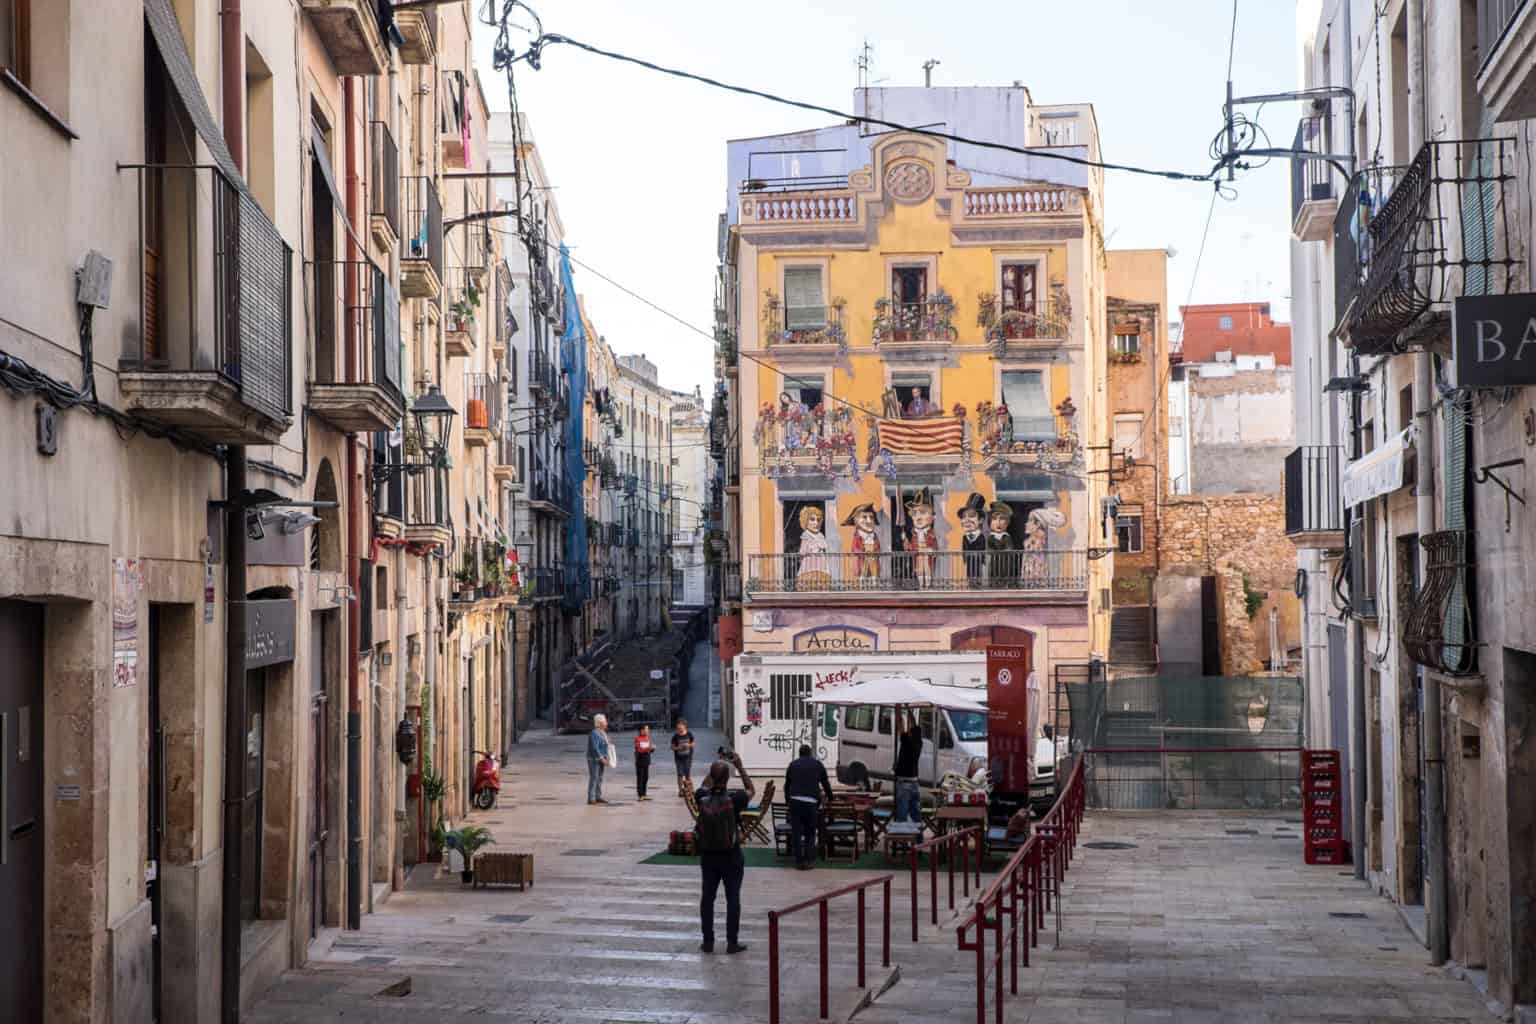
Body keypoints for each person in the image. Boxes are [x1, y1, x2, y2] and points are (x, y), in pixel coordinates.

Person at [695, 753, 755, 954]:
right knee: (733, 898)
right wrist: (740, 765)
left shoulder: (702, 798)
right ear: (728, 778)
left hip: (709, 856)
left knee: (707, 899)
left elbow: (703, 786)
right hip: (731, 855)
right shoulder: (735, 799)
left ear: (712, 776)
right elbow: (751, 790)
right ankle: (732, 942)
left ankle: (708, 941)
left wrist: (713, 771)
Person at [784, 744, 834, 870]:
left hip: (795, 801)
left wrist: (788, 801)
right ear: (810, 753)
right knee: (810, 833)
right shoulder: (818, 765)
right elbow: (825, 783)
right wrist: (830, 798)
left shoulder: (793, 765)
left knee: (796, 832)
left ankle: (799, 861)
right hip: (811, 802)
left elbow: (787, 785)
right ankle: (808, 860)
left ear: (799, 753)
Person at [893, 714, 924, 823]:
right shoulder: (919, 743)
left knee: (902, 814)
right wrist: (909, 712)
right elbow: (912, 725)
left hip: (904, 783)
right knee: (915, 813)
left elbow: (900, 727)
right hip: (914, 783)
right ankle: (918, 832)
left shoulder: (907, 742)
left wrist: (899, 712)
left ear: (910, 734)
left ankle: (902, 833)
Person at [587, 714, 611, 805]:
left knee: (600, 778)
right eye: (605, 721)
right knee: (594, 777)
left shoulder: (603, 732)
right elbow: (595, 748)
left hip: (601, 758)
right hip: (594, 759)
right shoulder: (595, 733)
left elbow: (604, 745)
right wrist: (601, 758)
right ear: (600, 723)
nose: (606, 723)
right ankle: (591, 798)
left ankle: (598, 796)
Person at [672, 718, 696, 797]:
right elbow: (672, 747)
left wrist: (688, 745)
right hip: (679, 758)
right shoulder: (675, 736)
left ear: (685, 726)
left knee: (687, 774)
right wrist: (679, 747)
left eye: (680, 726)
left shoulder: (689, 734)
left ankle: (689, 790)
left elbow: (693, 744)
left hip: (688, 757)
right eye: (678, 726)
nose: (679, 728)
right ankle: (680, 790)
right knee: (680, 774)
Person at [634, 724, 655, 801]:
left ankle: (644, 794)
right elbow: (639, 749)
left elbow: (649, 750)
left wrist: (652, 748)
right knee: (640, 778)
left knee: (645, 777)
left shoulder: (647, 738)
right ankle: (640, 794)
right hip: (640, 761)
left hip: (646, 760)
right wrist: (648, 748)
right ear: (642, 730)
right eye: (646, 729)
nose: (647, 731)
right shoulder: (637, 739)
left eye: (648, 729)